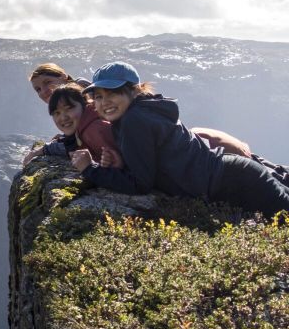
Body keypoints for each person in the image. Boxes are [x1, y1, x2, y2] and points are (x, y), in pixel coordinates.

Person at [72, 62, 289, 216]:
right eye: (98, 96)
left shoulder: (133, 120)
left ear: (134, 91)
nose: (104, 102)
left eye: (112, 93)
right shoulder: (148, 109)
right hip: (233, 174)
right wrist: (123, 164)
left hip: (232, 181)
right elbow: (157, 162)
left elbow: (140, 184)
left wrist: (90, 169)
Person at [22, 84, 122, 166]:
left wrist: (91, 167)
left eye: (69, 108)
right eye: (57, 113)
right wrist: (44, 150)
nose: (63, 117)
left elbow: (121, 167)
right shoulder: (83, 129)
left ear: (85, 104)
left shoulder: (94, 130)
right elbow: (69, 145)